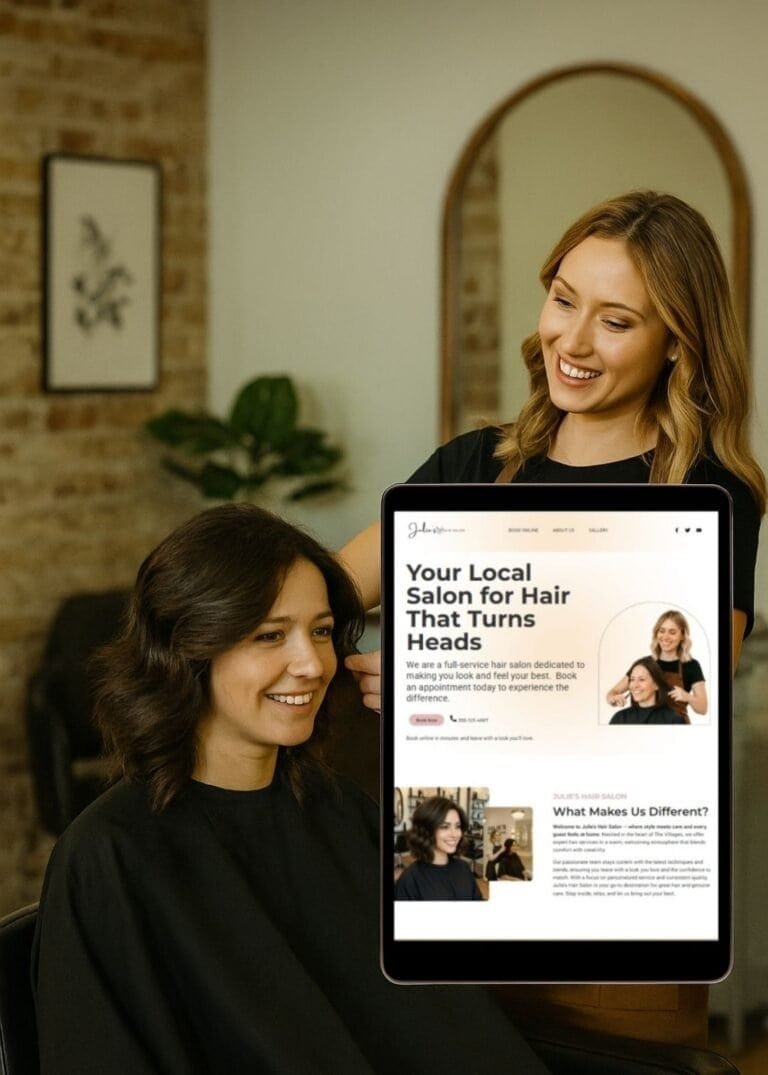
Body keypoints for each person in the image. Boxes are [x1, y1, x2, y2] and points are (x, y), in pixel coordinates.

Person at [339, 191, 765, 1044]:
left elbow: (672, 703)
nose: (572, 341)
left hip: (615, 895)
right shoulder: (474, 467)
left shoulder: (705, 493)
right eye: (564, 299)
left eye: (615, 321)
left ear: (675, 341)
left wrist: (448, 673)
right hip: (461, 880)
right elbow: (325, 592)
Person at [32, 505, 549, 1075]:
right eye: (270, 635)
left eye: (322, 632)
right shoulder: (111, 855)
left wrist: (474, 712)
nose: (311, 664)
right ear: (190, 648)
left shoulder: (341, 808)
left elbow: (516, 888)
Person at [607, 610, 707, 719]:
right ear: (656, 633)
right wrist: (614, 698)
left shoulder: (691, 665)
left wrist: (688, 697)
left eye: (672, 632)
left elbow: (703, 709)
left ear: (682, 635)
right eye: (662, 631)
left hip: (675, 729)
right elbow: (612, 693)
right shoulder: (644, 664)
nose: (665, 637)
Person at [394, 796, 483, 900]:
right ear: (427, 830)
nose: (455, 834)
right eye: (445, 827)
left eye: (458, 826)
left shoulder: (464, 868)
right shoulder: (410, 879)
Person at [608, 657, 687, 725]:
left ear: (656, 685)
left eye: (641, 679)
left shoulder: (673, 719)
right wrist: (612, 697)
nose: (635, 685)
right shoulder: (620, 718)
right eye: (632, 679)